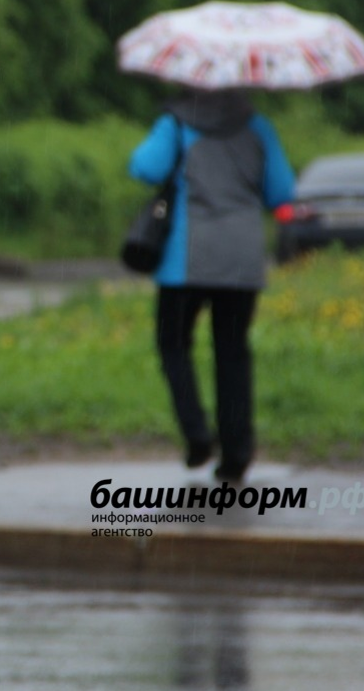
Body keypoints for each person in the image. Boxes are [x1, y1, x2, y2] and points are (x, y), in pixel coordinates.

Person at [128, 91, 294, 483]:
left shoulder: (178, 123)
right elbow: (282, 192)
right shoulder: (258, 126)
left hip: (186, 261)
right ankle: (236, 454)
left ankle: (197, 434)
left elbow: (144, 168)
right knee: (233, 352)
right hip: (241, 259)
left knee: (173, 344)